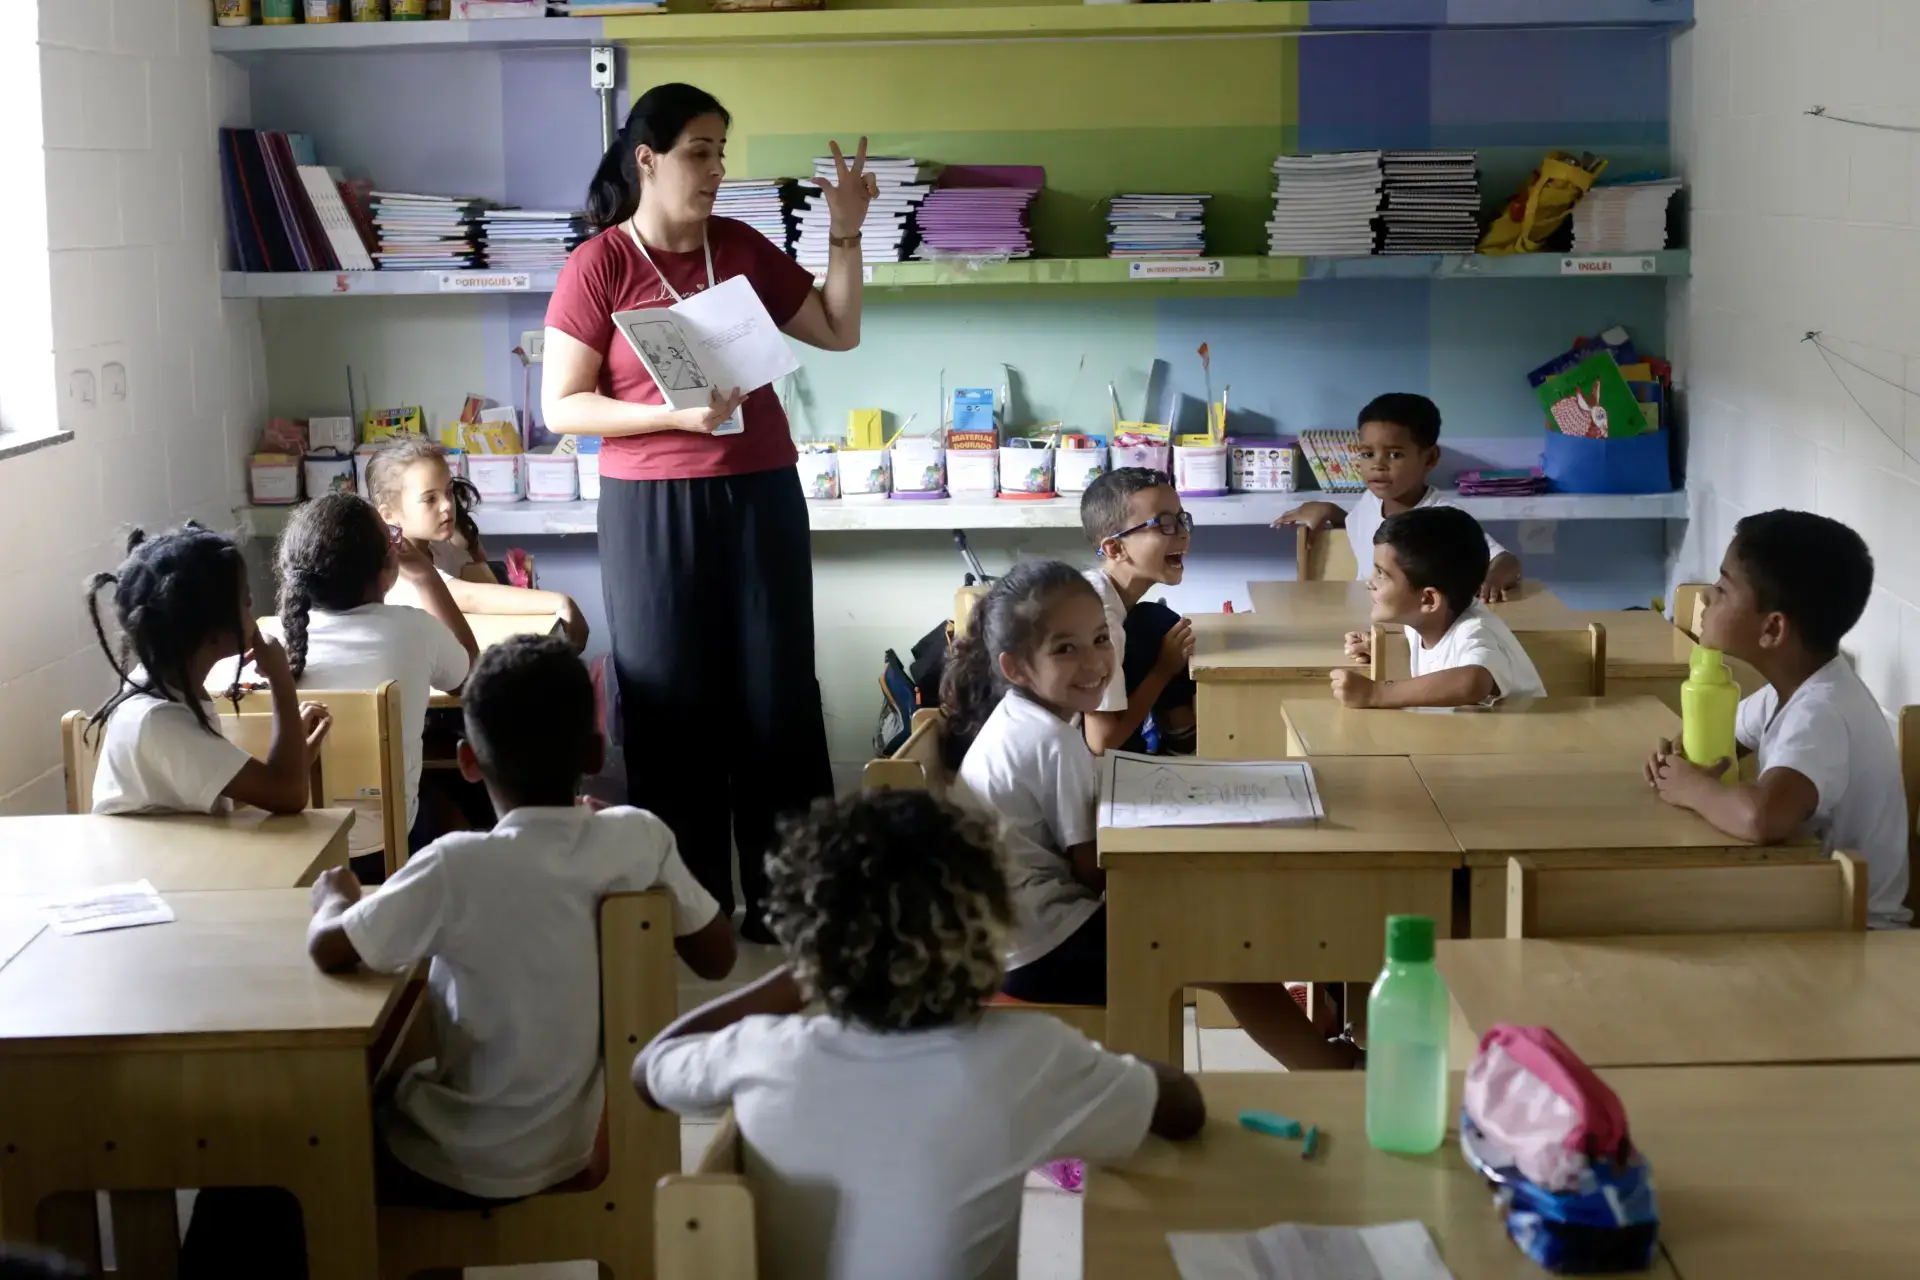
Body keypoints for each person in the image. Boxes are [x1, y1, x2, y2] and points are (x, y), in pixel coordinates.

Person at [542, 82, 875, 941]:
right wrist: (671, 416)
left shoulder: (740, 247)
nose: (717, 169)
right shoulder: (601, 264)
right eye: (700, 151)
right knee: (669, 701)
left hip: (760, 492)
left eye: (723, 152)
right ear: (646, 159)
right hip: (650, 505)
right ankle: (690, 911)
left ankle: (788, 905)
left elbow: (838, 330)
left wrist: (846, 230)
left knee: (775, 698)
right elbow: (563, 407)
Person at [633, 788, 1204, 1280]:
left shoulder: (762, 1051)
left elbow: (649, 1068)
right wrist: (1111, 1071)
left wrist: (802, 973)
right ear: (990, 923)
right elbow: (1182, 1110)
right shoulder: (1030, 1057)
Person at [308, 634, 736, 1208]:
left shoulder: (453, 865)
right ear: (594, 752)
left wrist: (333, 897)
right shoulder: (639, 838)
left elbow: (330, 950)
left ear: (465, 761)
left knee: (315, 1128)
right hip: (580, 1146)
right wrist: (623, 828)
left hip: (454, 1158)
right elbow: (718, 959)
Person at [941, 560, 1356, 1070]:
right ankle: (1331, 1068)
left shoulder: (1027, 718)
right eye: (1065, 648)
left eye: (1100, 639)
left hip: (1010, 937)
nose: (1095, 662)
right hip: (1040, 949)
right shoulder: (1051, 740)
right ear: (1016, 667)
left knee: (1219, 929)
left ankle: (1323, 1049)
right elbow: (1093, 873)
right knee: (1225, 952)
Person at [1648, 510, 1910, 928]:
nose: (1705, 598)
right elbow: (1719, 742)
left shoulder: (1823, 712)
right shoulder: (1785, 692)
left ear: (1772, 629)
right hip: (1809, 908)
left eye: (1722, 588)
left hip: (1856, 931)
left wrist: (1693, 787)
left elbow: (1761, 817)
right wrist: (1679, 760)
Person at [274, 492, 478, 878]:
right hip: (386, 844)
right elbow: (468, 676)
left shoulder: (273, 648)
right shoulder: (414, 629)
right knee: (454, 813)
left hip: (297, 848)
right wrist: (427, 577)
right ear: (387, 567)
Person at [85, 524, 329, 816]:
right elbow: (289, 796)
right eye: (247, 602)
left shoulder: (158, 688)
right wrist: (281, 680)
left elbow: (210, 791)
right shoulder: (159, 722)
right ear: (212, 631)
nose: (254, 614)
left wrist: (294, 762)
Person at [1276, 392, 1521, 602]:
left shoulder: (1445, 518)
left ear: (1430, 458)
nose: (1378, 465)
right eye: (1367, 453)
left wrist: (1493, 580)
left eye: (1394, 455)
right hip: (1366, 620)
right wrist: (1330, 511)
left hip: (1417, 630)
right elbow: (1363, 532)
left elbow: (1506, 560)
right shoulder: (1371, 501)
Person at [366, 438, 591, 651]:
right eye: (430, 499)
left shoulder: (438, 546)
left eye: (448, 492)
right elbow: (472, 598)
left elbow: (478, 569)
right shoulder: (399, 569)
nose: (446, 505)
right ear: (388, 514)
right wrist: (561, 602)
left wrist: (467, 537)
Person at [1335, 507, 1545, 709]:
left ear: (1428, 600)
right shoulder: (1427, 621)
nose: (1369, 582)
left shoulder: (1476, 632)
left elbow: (1471, 682)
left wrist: (1375, 693)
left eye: (1381, 573)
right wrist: (1380, 647)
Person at [1078, 468, 1197, 756]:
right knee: (1160, 629)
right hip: (1066, 770)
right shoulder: (1099, 619)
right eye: (1164, 524)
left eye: (1182, 519)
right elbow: (1101, 744)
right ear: (1115, 548)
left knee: (1157, 621)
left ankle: (1180, 742)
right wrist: (1162, 670)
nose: (1182, 534)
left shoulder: (1113, 600)